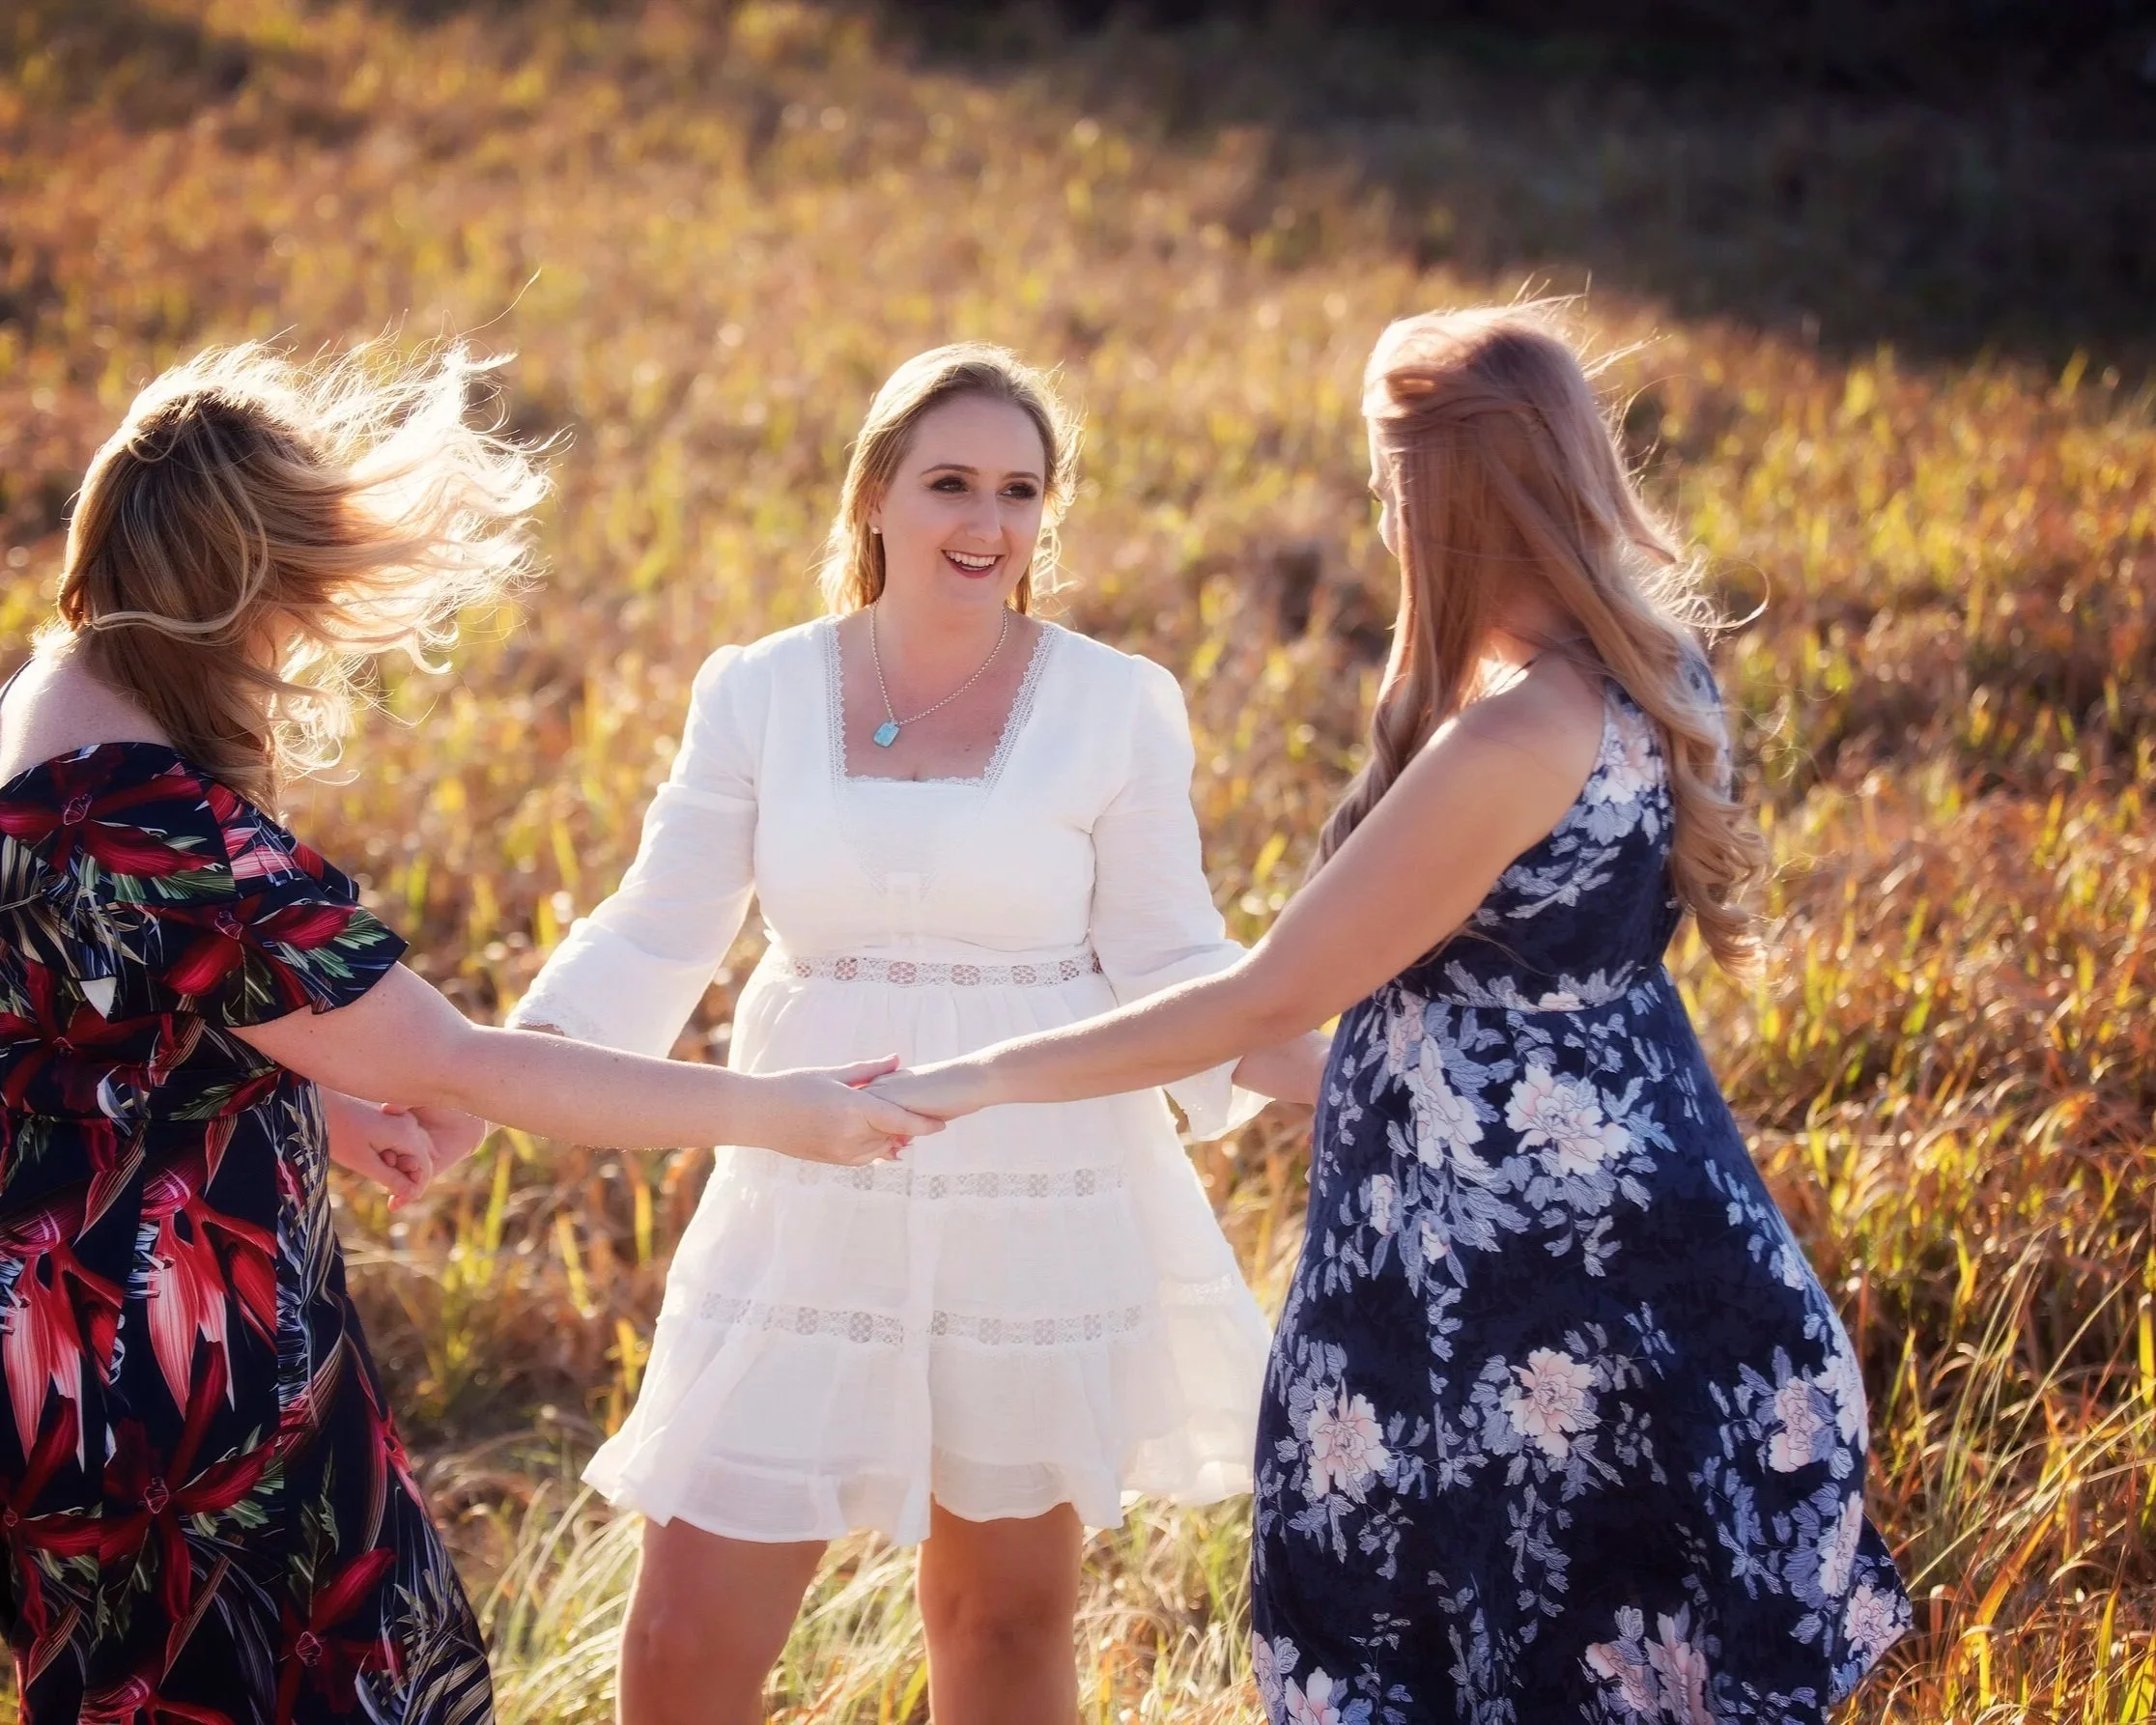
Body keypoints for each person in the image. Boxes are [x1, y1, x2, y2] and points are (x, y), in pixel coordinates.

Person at [875, 307, 1913, 1722]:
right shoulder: (1633, 673)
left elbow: (1269, 990)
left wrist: (984, 1075)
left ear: (1446, 493)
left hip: (1523, 1318)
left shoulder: (1511, 735)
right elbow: (1467, 1037)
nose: (1373, 505)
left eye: (1384, 473)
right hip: (1638, 1251)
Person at [0, 343, 935, 1725]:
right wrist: (780, 1108)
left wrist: (317, 1105)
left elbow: (88, 1044)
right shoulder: (171, 824)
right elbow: (463, 1060)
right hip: (198, 1398)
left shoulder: (33, 738)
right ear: (239, 591)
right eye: (299, 597)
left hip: (50, 1370)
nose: (301, 640)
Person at [507, 342, 1325, 1725]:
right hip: (809, 1171)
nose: (987, 523)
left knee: (1000, 1621)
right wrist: (483, 1073)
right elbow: (656, 931)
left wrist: (1381, 1074)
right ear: (875, 493)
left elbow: (1177, 962)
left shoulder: (1116, 703)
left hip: (1038, 1176)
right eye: (951, 481)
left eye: (1020, 490)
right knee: (682, 1644)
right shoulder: (758, 688)